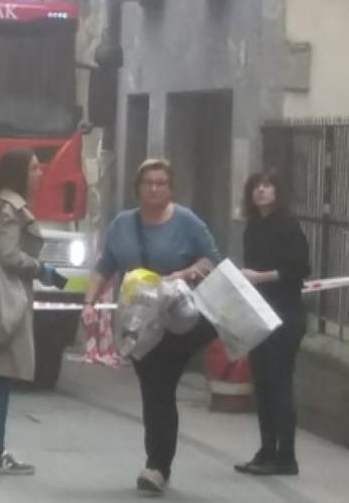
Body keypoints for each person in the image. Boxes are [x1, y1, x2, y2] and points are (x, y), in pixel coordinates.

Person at [82, 158, 220, 497]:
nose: (155, 189)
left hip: (177, 321)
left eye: (161, 183)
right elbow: (104, 266)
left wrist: (183, 274)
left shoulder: (186, 221)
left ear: (170, 188)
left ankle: (157, 466)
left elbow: (210, 259)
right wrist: (89, 302)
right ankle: (157, 463)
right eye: (148, 183)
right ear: (138, 188)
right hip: (139, 323)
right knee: (153, 390)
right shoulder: (122, 225)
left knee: (161, 385)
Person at [0, 149, 66, 475]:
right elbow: (9, 255)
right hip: (3, 300)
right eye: (34, 169)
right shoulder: (9, 208)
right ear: (19, 173)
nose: (40, 174)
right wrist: (41, 269)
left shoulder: (0, 204)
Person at [234, 168, 310, 477]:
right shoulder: (253, 227)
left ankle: (286, 456)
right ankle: (266, 450)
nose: (261, 191)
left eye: (267, 186)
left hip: (285, 313)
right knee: (262, 385)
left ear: (278, 192)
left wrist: (259, 277)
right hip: (258, 312)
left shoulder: (288, 225)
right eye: (256, 186)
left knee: (279, 384)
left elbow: (299, 270)